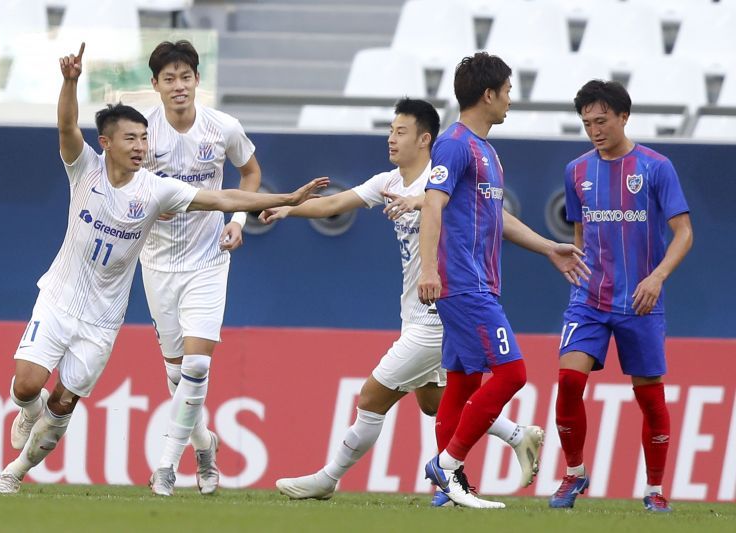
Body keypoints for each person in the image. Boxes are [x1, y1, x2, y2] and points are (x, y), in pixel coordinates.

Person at [0, 43, 327, 494]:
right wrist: (70, 81)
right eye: (131, 140)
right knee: (28, 385)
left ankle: (17, 472)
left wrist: (283, 198)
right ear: (106, 143)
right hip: (67, 295)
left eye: (143, 140)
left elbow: (225, 197)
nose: (141, 147)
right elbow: (68, 125)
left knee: (82, 396)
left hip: (125, 306)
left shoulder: (160, 187)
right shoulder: (84, 169)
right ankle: (29, 411)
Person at [261, 98, 544, 505]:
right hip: (412, 313)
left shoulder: (443, 177)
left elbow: (493, 216)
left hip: (439, 312)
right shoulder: (388, 181)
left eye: (401, 131)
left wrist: (547, 246)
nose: (391, 138)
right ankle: (518, 436)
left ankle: (328, 478)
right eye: (390, 130)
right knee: (435, 403)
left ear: (425, 138)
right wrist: (287, 208)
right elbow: (335, 203)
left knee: (372, 398)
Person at [417, 52, 591, 509]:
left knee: (461, 381)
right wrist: (429, 270)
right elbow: (432, 204)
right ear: (489, 94)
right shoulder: (454, 145)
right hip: (462, 283)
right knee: (513, 373)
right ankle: (448, 466)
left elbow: (498, 218)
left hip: (479, 282)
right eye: (508, 91)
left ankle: (448, 491)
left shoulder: (488, 152)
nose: (511, 99)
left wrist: (548, 247)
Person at [549, 80, 693, 513]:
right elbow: (580, 233)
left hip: (641, 300)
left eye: (602, 120)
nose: (594, 129)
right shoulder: (576, 171)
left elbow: (684, 233)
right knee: (569, 382)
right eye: (587, 122)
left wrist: (657, 278)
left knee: (649, 396)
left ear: (623, 116)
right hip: (589, 298)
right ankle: (574, 473)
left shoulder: (656, 167)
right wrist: (579, 270)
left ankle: (654, 489)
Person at [137, 40, 262, 497]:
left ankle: (166, 466)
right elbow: (121, 182)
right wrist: (149, 207)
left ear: (196, 80)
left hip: (210, 260)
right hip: (157, 263)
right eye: (168, 79)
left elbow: (250, 174)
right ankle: (205, 443)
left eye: (184, 77)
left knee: (195, 364)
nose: (178, 86)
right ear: (155, 85)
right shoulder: (142, 133)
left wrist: (237, 219)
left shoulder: (222, 127)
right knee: (177, 376)